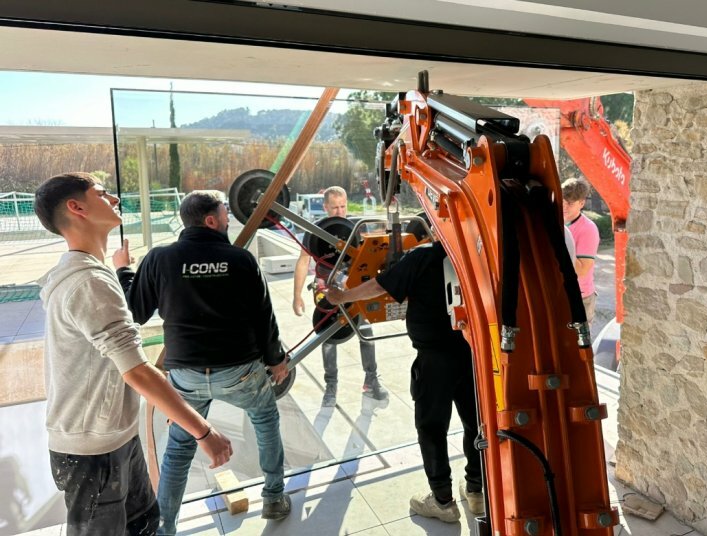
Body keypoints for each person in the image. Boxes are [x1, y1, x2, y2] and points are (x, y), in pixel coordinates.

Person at [34, 173, 232, 536]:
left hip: (114, 436)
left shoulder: (90, 272)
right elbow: (136, 370)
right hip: (93, 450)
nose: (114, 199)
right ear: (76, 207)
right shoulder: (88, 282)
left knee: (144, 524)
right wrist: (203, 432)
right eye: (102, 193)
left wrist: (120, 268)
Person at [114, 190, 291, 534]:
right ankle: (273, 497)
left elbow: (134, 311)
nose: (228, 218)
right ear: (211, 220)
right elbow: (264, 318)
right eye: (225, 213)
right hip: (240, 372)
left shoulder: (160, 258)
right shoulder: (241, 259)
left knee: (180, 447)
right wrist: (276, 360)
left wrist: (123, 269)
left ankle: (165, 528)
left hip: (186, 375)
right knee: (266, 421)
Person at [326, 240, 483, 523]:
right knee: (475, 422)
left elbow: (378, 286)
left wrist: (343, 296)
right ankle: (476, 490)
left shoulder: (423, 257)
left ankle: (442, 501)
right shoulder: (476, 253)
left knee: (431, 427)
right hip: (471, 355)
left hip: (433, 360)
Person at [292, 186, 387, 407]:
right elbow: (303, 261)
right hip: (327, 289)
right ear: (325, 207)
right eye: (335, 207)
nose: (340, 211)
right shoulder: (315, 230)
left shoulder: (357, 227)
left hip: (353, 288)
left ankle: (371, 380)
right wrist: (297, 296)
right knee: (328, 338)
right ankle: (331, 386)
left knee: (366, 332)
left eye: (343, 206)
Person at [562, 178, 600, 325]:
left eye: (570, 203)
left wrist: (560, 244)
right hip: (559, 293)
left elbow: (582, 270)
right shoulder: (557, 221)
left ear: (582, 203)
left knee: (577, 340)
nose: (564, 207)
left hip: (580, 297)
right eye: (563, 201)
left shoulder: (588, 229)